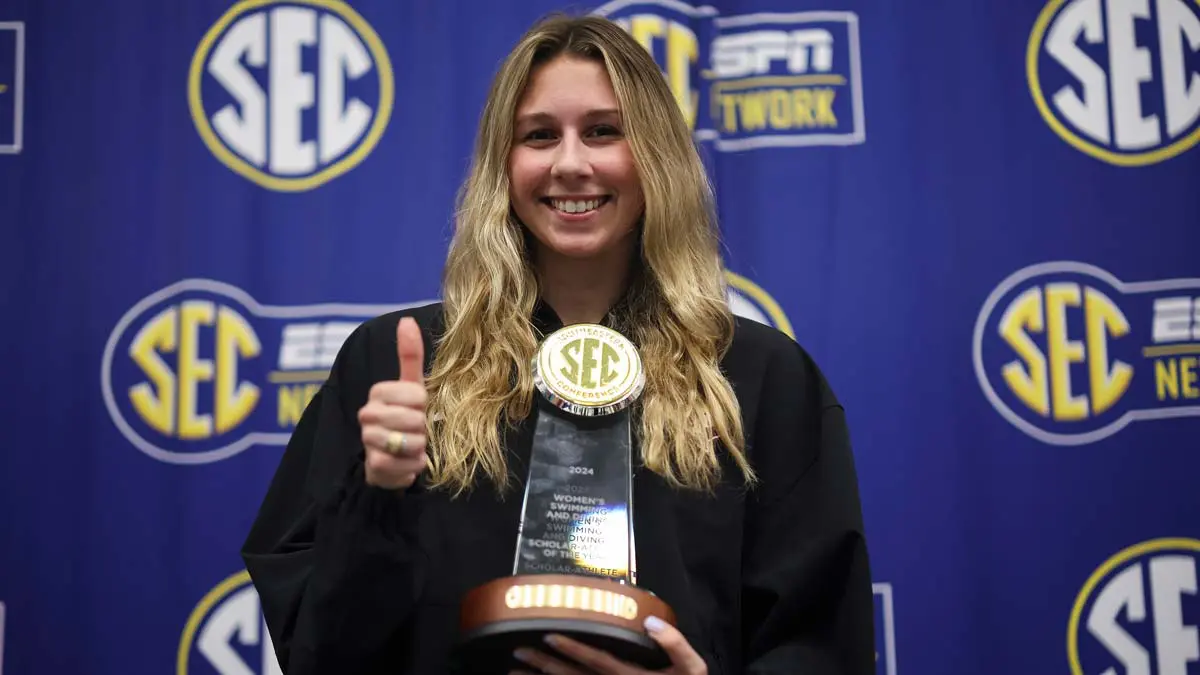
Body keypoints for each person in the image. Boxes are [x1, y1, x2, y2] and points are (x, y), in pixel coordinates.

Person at [241, 12, 875, 675]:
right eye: (539, 136)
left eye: (603, 131)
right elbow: (322, 652)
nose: (571, 164)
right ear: (501, 165)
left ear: (655, 153)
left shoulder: (760, 378)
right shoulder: (397, 369)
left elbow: (824, 641)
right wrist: (377, 495)